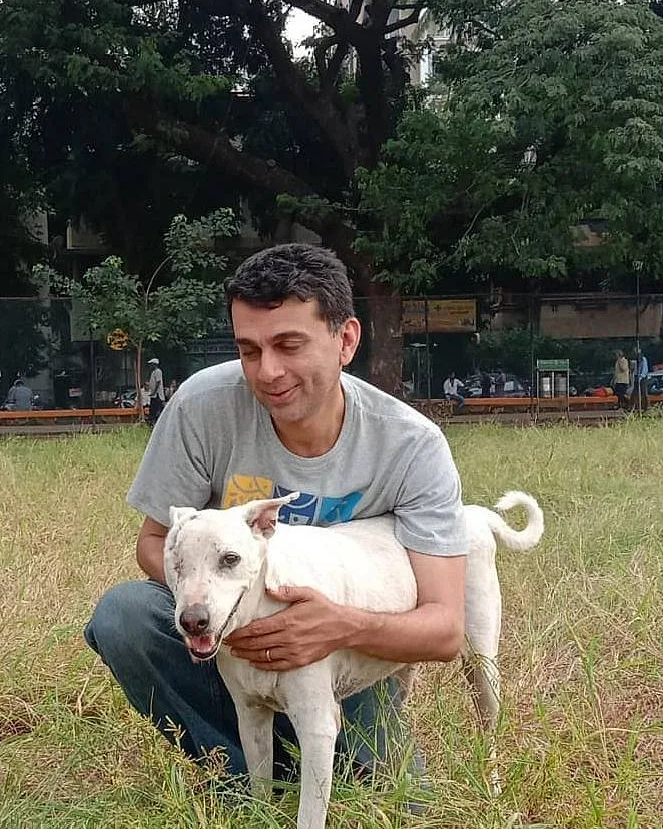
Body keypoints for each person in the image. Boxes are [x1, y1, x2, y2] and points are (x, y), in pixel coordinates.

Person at [83, 243, 469, 782]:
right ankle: (242, 770)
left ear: (346, 340)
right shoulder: (201, 407)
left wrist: (340, 626)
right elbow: (153, 543)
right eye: (249, 350)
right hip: (232, 639)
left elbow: (445, 629)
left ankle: (322, 752)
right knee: (125, 617)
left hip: (349, 655)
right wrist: (231, 606)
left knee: (400, 800)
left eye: (289, 345)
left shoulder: (410, 446)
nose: (268, 372)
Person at [146, 357, 166, 425]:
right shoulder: (153, 372)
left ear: (154, 364)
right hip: (154, 395)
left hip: (157, 395)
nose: (150, 366)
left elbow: (158, 382)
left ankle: (156, 421)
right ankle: (152, 421)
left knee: (156, 408)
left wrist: (154, 392)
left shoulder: (158, 371)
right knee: (152, 409)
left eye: (151, 364)